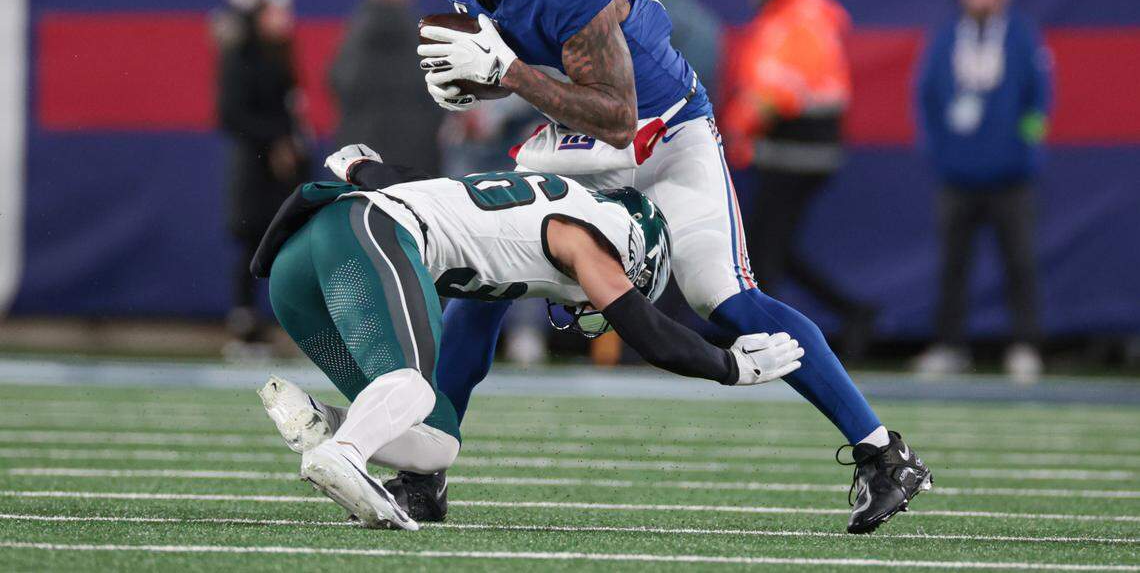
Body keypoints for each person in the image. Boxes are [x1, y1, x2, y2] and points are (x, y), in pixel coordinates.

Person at [408, 0, 930, 534]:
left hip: (664, 129)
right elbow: (528, 69)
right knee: (481, 276)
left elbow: (619, 117)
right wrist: (477, 89)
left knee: (725, 295)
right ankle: (423, 470)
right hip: (578, 139)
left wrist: (505, 75)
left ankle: (882, 452)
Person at [252, 143, 804, 529]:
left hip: (300, 268)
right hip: (364, 235)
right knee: (413, 385)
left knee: (437, 438)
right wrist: (730, 365)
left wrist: (360, 169)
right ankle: (345, 453)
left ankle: (323, 425)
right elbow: (648, 332)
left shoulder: (535, 207)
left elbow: (414, 186)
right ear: (638, 254)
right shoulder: (591, 235)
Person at [720, 0, 877, 361]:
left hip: (793, 153)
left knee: (761, 253)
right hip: (804, 152)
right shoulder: (809, 15)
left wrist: (732, 128)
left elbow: (776, 90)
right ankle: (853, 312)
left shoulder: (792, 20)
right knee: (774, 248)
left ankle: (766, 341)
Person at [914, 0, 1052, 382]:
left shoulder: (1021, 36)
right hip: (958, 174)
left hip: (1011, 175)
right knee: (954, 264)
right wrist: (940, 150)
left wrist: (1023, 144)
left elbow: (1038, 95)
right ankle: (950, 345)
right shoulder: (946, 37)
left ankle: (1025, 343)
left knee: (1020, 261)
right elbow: (928, 95)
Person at [216, 0, 310, 348]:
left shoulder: (279, 53)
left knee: (292, 242)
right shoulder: (241, 57)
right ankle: (245, 325)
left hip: (283, 166)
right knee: (255, 245)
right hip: (256, 168)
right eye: (274, 10)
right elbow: (232, 115)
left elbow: (290, 108)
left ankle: (293, 325)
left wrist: (293, 143)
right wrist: (275, 142)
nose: (284, 18)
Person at [329, 0, 442, 173]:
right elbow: (433, 85)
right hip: (415, 148)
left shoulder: (357, 32)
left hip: (364, 149)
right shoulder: (414, 31)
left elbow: (340, 81)